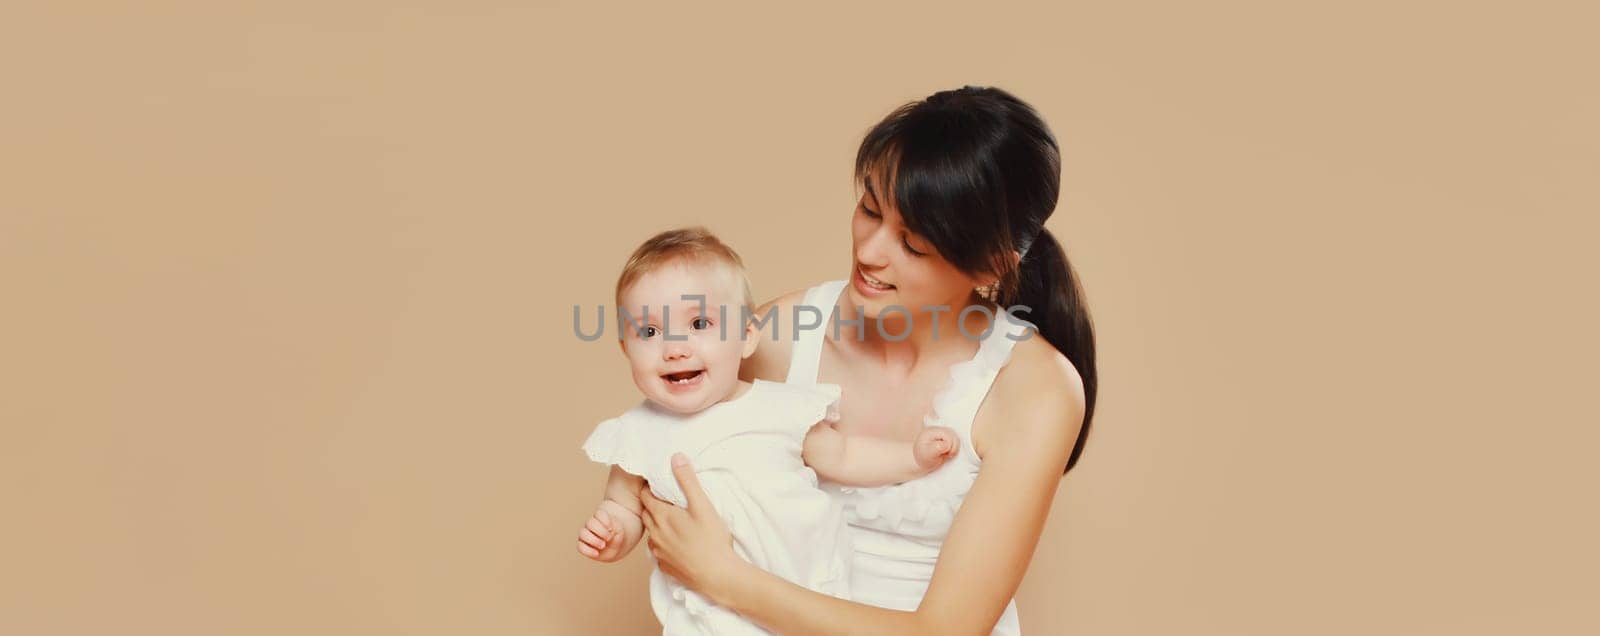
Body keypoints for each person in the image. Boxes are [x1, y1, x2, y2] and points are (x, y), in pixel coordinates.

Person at [636, 86, 1098, 635]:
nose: (870, 251)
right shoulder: (779, 336)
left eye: (914, 244)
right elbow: (660, 446)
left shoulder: (1035, 389)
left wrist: (725, 577)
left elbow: (945, 632)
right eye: (869, 209)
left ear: (989, 267)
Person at [576, 227, 962, 634]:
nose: (674, 347)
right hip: (707, 619)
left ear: (746, 336)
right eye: (649, 332)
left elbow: (843, 455)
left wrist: (911, 458)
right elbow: (622, 504)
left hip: (806, 595)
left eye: (699, 323)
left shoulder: (779, 407)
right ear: (625, 348)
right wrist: (613, 531)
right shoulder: (637, 432)